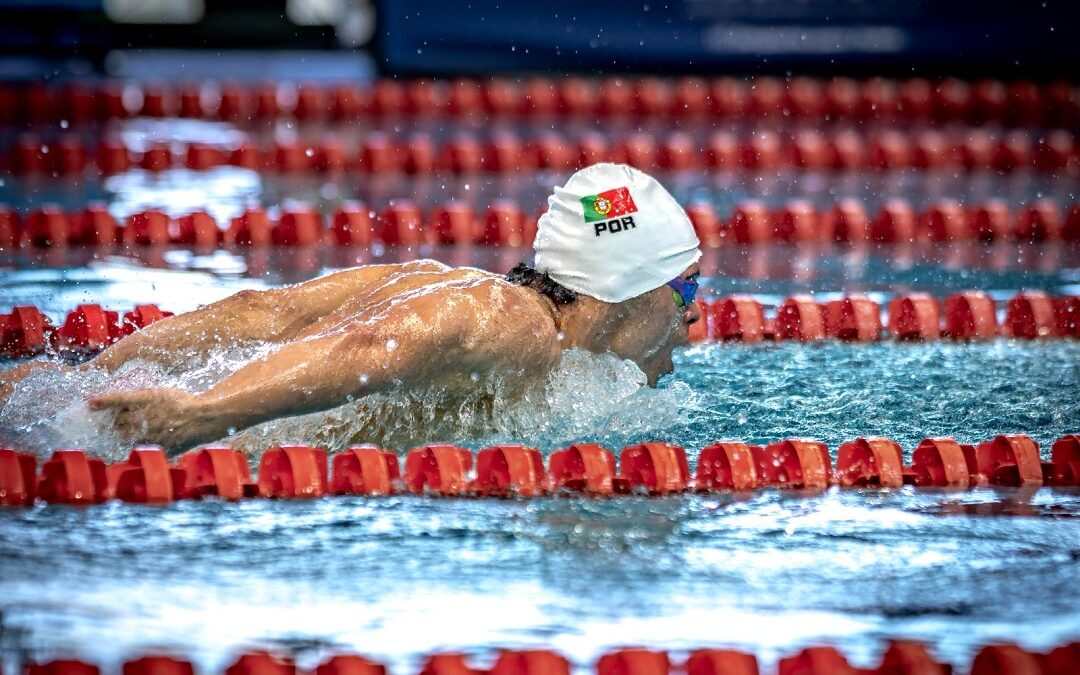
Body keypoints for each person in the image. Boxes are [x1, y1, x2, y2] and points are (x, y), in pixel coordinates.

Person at [0, 163, 701, 453]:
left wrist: (90, 374)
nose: (694, 317)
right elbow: (370, 349)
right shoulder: (515, 326)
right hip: (194, 442)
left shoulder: (437, 279)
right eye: (687, 290)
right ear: (628, 288)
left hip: (109, 414)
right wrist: (202, 415)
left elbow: (257, 314)